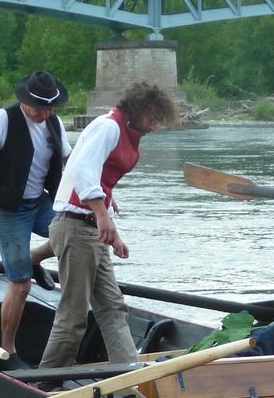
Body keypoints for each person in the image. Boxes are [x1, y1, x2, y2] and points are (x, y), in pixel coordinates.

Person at [38, 81, 177, 372]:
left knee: (113, 308)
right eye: (152, 119)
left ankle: (128, 378)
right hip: (76, 228)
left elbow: (102, 179)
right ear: (138, 110)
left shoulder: (123, 130)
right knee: (73, 315)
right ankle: (46, 379)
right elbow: (83, 170)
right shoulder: (109, 128)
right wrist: (101, 215)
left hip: (89, 230)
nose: (154, 127)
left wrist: (112, 231)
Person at [0, 70, 71, 358]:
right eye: (39, 108)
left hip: (41, 203)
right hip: (8, 209)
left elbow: (70, 163)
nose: (45, 114)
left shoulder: (54, 123)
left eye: (50, 108)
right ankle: (6, 348)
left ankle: (34, 258)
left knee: (76, 233)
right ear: (24, 101)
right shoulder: (1, 120)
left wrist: (98, 195)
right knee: (21, 284)